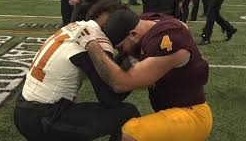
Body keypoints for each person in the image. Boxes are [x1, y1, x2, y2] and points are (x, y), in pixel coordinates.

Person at [74, 10, 213, 141]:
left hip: (193, 114)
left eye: (121, 47)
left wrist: (91, 44)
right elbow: (182, 25)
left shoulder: (168, 39)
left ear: (133, 34)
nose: (122, 52)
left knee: (131, 132)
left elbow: (120, 83)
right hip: (172, 110)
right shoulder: (148, 22)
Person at [13, 0, 140, 141]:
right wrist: (133, 72)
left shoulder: (77, 26)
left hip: (24, 109)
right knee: (127, 113)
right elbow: (109, 99)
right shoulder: (98, 38)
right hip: (45, 118)